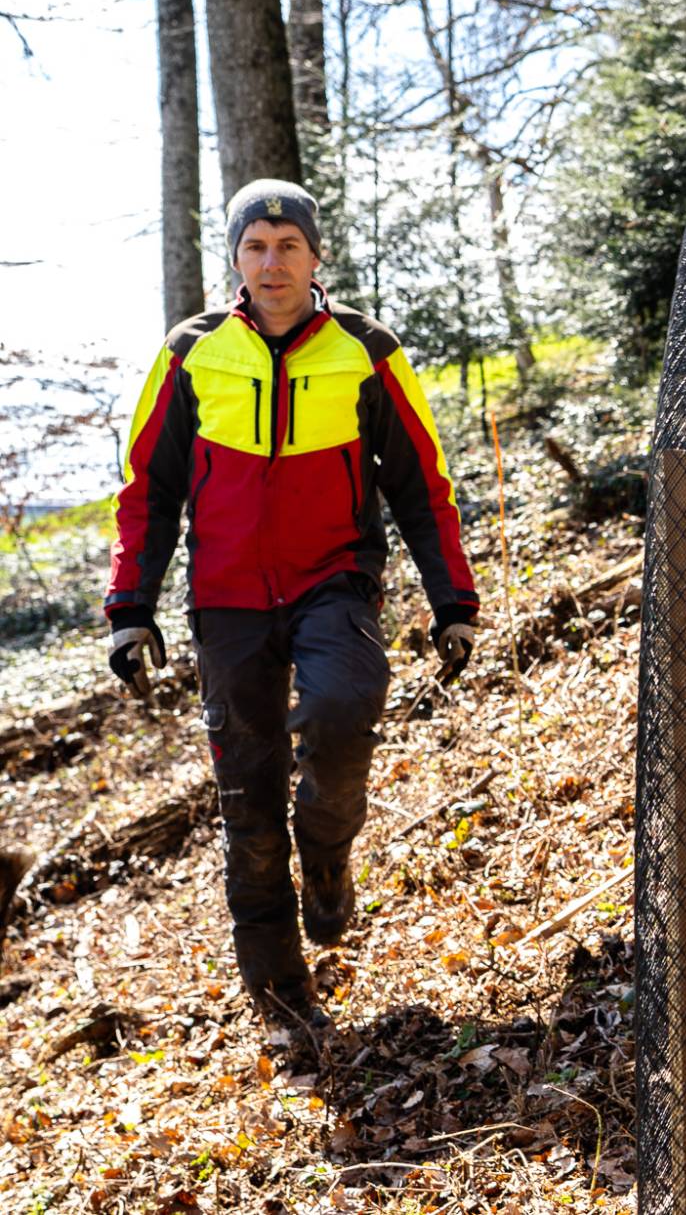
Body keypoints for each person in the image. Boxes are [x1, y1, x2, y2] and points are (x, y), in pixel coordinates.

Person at [105, 179, 480, 1027]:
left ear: (316, 257)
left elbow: (422, 483)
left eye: (288, 246)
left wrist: (452, 597)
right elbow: (148, 490)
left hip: (333, 581)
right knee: (248, 799)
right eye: (255, 247)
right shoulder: (191, 353)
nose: (272, 263)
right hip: (227, 601)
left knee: (346, 707)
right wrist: (131, 604)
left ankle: (330, 860)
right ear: (235, 257)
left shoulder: (365, 349)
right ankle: (278, 991)